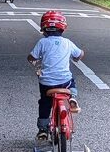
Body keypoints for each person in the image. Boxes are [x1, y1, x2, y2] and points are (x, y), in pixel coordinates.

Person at [27, 10, 85, 140]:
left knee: (44, 102)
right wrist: (78, 56)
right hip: (65, 81)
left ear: (44, 29)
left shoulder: (42, 43)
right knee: (71, 82)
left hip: (47, 83)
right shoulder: (68, 43)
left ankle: (42, 129)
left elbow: (31, 58)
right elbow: (79, 55)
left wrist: (37, 65)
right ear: (63, 28)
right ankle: (72, 98)